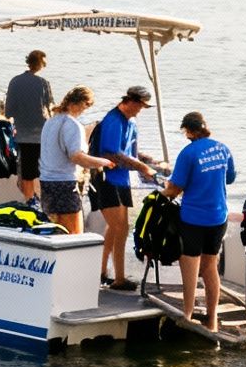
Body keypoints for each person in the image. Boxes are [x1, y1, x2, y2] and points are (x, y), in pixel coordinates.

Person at [160, 111, 236, 331]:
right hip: (218, 217)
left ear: (189, 131)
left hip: (194, 219)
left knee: (190, 268)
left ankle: (187, 314)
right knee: (211, 267)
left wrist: (158, 196)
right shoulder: (223, 149)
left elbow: (175, 188)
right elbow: (229, 178)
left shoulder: (188, 153)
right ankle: (212, 320)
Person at [92, 85, 164, 291]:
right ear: (130, 101)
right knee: (121, 228)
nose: (140, 111)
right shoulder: (113, 121)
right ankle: (119, 279)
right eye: (139, 106)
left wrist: (152, 163)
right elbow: (111, 154)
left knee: (115, 228)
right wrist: (142, 167)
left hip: (122, 180)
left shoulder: (131, 122)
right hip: (107, 179)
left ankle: (102, 271)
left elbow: (132, 152)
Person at [39, 86, 113, 237]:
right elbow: (77, 157)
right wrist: (103, 162)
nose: (85, 110)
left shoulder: (50, 122)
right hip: (64, 184)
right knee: (74, 234)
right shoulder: (73, 125)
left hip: (46, 183)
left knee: (53, 231)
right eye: (87, 105)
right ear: (80, 103)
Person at [5, 50, 54, 207]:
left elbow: (8, 112)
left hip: (23, 135)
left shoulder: (15, 82)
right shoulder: (43, 83)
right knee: (45, 171)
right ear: (41, 64)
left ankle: (29, 201)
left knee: (27, 172)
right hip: (42, 135)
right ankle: (44, 202)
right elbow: (50, 108)